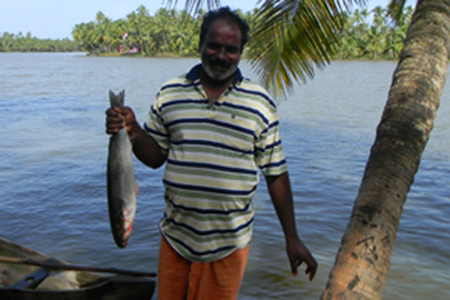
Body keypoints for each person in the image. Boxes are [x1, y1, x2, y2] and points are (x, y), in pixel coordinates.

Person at [105, 7, 317, 300]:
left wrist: (292, 238)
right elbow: (155, 157)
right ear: (200, 45)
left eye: (231, 49)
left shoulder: (260, 104)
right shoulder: (170, 93)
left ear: (241, 52)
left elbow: (275, 173)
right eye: (214, 46)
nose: (221, 55)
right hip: (175, 239)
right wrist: (132, 130)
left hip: (229, 246)